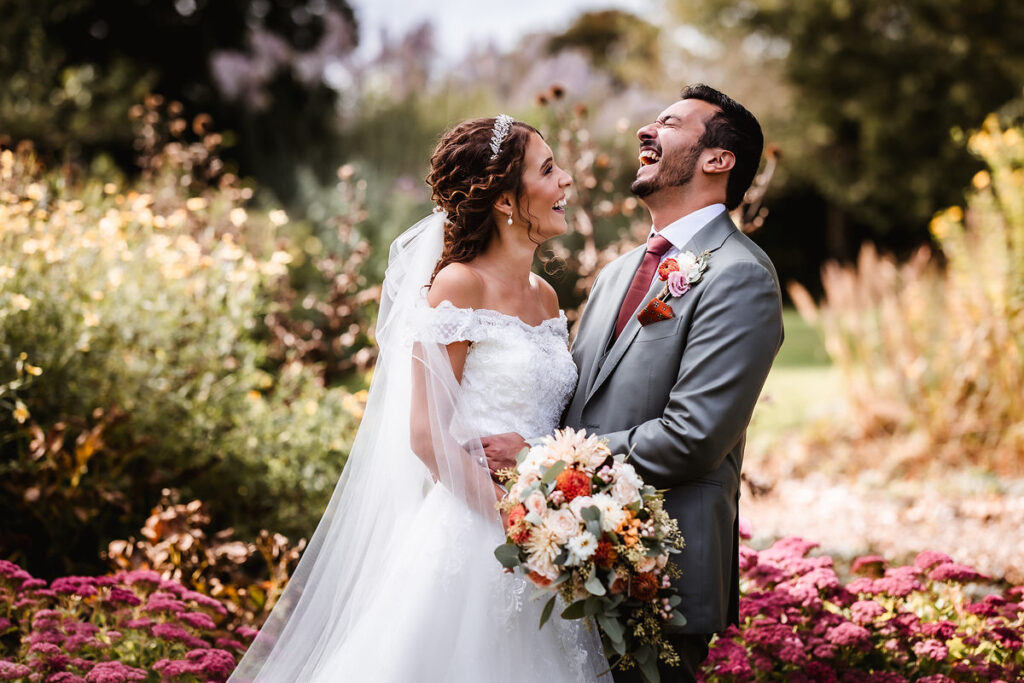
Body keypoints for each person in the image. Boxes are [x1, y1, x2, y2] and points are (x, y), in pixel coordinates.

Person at [228, 115, 610, 682]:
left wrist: (555, 514)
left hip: (548, 531)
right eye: (548, 170)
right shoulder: (460, 285)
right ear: (506, 198)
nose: (566, 182)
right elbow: (427, 435)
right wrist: (520, 528)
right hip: (478, 537)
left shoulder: (547, 296)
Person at [482, 85, 784, 682]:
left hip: (657, 570)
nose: (645, 130)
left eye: (668, 123)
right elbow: (576, 402)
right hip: (569, 558)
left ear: (717, 159)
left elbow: (692, 438)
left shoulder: (741, 276)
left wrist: (540, 460)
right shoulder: (620, 270)